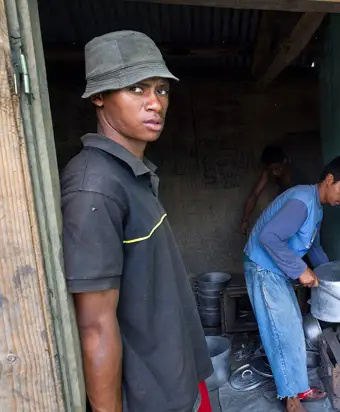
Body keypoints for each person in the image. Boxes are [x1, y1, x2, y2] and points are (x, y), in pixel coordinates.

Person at [60, 31, 212, 412]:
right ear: (99, 97)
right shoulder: (93, 188)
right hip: (151, 397)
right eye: (136, 89)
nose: (154, 104)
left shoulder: (130, 174)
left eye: (161, 90)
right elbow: (94, 327)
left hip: (176, 379)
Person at [243, 156, 340, 412]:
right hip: (263, 269)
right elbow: (269, 236)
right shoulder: (301, 202)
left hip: (276, 269)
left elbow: (315, 247)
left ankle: (300, 388)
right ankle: (291, 400)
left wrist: (329, 275)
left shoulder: (317, 207)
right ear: (330, 179)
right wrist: (301, 270)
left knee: (293, 327)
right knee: (282, 331)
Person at [239, 144, 303, 234]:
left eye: (276, 169)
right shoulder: (270, 172)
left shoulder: (297, 178)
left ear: (284, 161)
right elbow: (254, 194)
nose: (274, 173)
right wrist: (245, 219)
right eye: (271, 170)